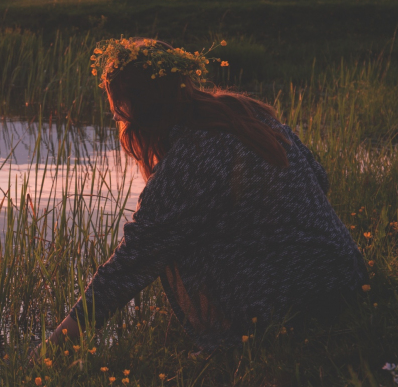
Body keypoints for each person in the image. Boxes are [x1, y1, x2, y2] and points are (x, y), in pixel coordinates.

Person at [46, 37, 368, 353]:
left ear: (138, 110)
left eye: (119, 112)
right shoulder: (246, 112)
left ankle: (236, 335)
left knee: (169, 242)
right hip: (347, 277)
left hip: (297, 307)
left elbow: (130, 265)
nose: (119, 120)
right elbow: (320, 178)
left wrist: (48, 350)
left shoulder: (186, 164)